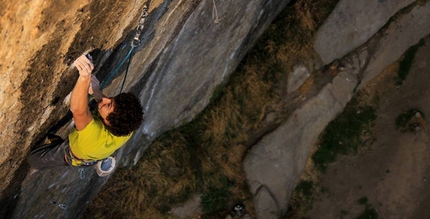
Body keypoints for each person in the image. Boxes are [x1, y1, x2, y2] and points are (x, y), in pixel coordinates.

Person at [28, 54, 143, 176]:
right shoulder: (127, 127)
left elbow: (78, 110)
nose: (105, 99)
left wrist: (85, 77)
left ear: (110, 122)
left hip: (76, 152)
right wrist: (96, 92)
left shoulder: (94, 138)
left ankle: (58, 143)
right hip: (97, 150)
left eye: (108, 105)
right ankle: (101, 156)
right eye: (111, 99)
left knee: (33, 160)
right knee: (95, 105)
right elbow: (110, 106)